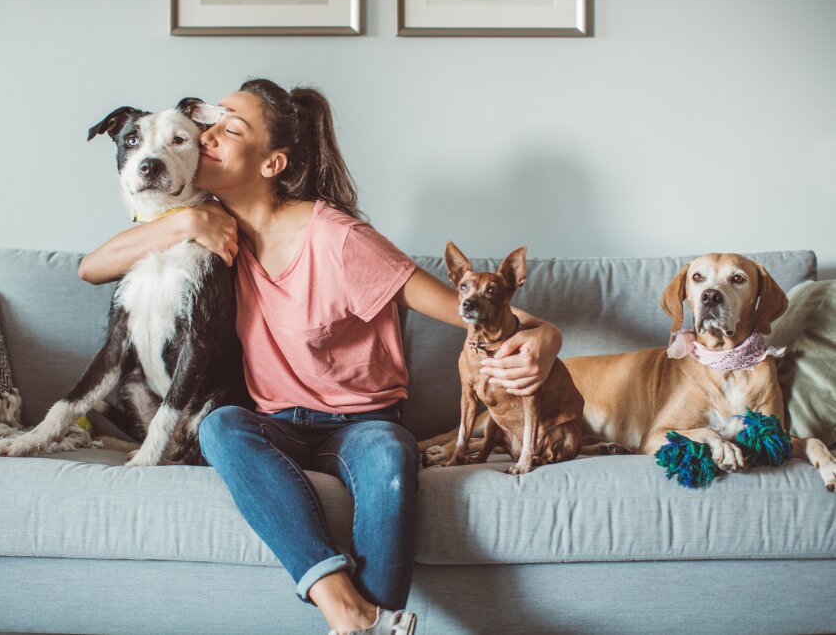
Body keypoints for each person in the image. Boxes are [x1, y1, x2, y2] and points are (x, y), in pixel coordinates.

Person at [78, 78, 562, 635]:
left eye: (229, 129)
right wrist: (186, 221)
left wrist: (547, 337)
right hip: (274, 424)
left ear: (270, 163)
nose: (207, 135)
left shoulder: (339, 238)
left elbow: (467, 311)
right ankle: (349, 610)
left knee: (389, 459)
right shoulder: (210, 226)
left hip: (362, 425)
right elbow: (92, 267)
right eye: (210, 124)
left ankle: (360, 623)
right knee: (221, 427)